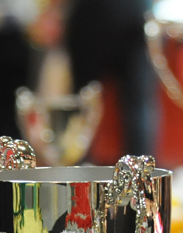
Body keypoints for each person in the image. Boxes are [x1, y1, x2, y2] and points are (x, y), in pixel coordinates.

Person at [31, 0, 160, 159]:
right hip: (136, 13)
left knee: (83, 101)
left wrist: (52, 12)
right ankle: (141, 168)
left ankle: (79, 166)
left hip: (95, 14)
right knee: (139, 104)